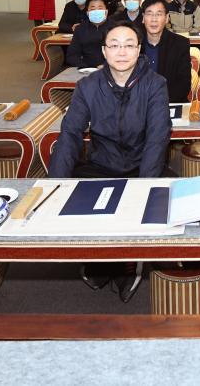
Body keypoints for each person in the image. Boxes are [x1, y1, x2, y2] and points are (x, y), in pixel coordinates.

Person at [48, 19, 172, 302]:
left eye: (129, 45)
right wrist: (54, 185)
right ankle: (100, 256)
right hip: (101, 165)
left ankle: (132, 258)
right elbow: (70, 134)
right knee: (78, 200)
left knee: (159, 204)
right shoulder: (87, 86)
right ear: (104, 51)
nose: (121, 52)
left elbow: (157, 138)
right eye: (114, 45)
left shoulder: (155, 84)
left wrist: (144, 187)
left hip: (142, 166)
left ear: (139, 50)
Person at [140, 0, 192, 103]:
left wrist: (158, 104)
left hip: (170, 102)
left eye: (159, 14)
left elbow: (183, 85)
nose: (154, 19)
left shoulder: (180, 44)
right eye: (149, 14)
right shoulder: (133, 43)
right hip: (139, 104)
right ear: (143, 18)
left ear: (167, 18)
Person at [65, 0, 111, 69]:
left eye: (100, 8)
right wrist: (87, 67)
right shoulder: (80, 29)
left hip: (112, 68)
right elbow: (72, 56)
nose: (96, 11)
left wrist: (108, 66)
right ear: (87, 13)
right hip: (86, 69)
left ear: (106, 11)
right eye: (92, 9)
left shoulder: (116, 28)